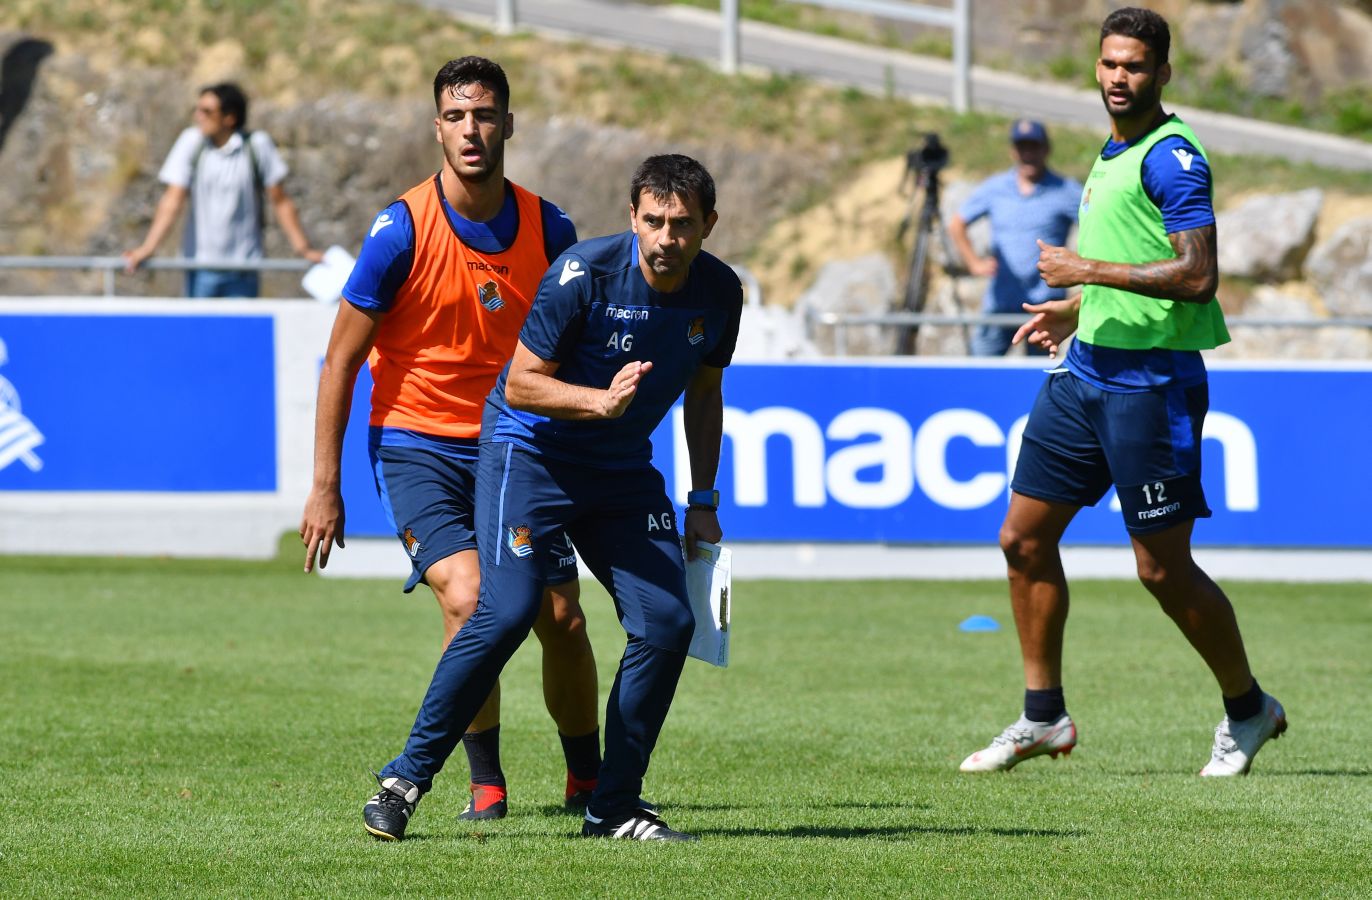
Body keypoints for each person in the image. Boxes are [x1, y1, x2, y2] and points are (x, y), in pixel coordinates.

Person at [360, 153, 742, 843]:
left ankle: (615, 807)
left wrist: (704, 498)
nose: (665, 238)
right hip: (529, 456)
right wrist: (599, 401)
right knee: (503, 611)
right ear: (631, 218)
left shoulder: (720, 293)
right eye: (652, 221)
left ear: (709, 225)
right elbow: (523, 384)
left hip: (621, 470)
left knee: (667, 623)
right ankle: (405, 778)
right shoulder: (583, 274)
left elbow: (705, 394)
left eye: (682, 224)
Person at [959, 7, 1287, 777]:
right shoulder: (1113, 150)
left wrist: (1086, 274)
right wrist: (1076, 309)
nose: (1118, 77)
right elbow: (1135, 259)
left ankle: (1248, 709)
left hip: (1152, 384)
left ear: (1162, 73)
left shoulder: (1173, 158)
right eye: (1109, 63)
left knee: (1160, 570)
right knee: (1022, 539)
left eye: (1134, 66)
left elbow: (1198, 274)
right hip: (1084, 375)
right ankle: (1044, 717)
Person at [298, 57, 602, 838]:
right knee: (471, 600)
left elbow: (574, 348)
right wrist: (325, 485)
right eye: (458, 116)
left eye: (486, 115)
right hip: (418, 444)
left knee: (561, 619)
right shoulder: (400, 230)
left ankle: (587, 776)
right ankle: (487, 782)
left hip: (521, 446)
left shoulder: (550, 228)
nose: (473, 130)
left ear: (508, 123)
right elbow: (340, 360)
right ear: (438, 126)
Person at [123, 82, 323, 297]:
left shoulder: (257, 145)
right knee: (198, 331)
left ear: (230, 117)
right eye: (197, 110)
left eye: (207, 111)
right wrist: (148, 248)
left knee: (241, 331)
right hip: (200, 268)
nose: (198, 116)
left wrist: (304, 249)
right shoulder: (191, 142)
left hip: (244, 269)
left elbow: (280, 200)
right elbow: (173, 199)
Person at [947, 119, 1081, 357]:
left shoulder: (1066, 191)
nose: (1028, 154)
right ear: (1013, 151)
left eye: (1034, 147)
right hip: (999, 304)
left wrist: (1083, 267)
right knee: (979, 374)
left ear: (1046, 149)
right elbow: (957, 224)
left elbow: (1097, 225)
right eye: (1022, 147)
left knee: (1039, 381)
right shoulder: (995, 188)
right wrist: (974, 263)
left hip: (1044, 307)